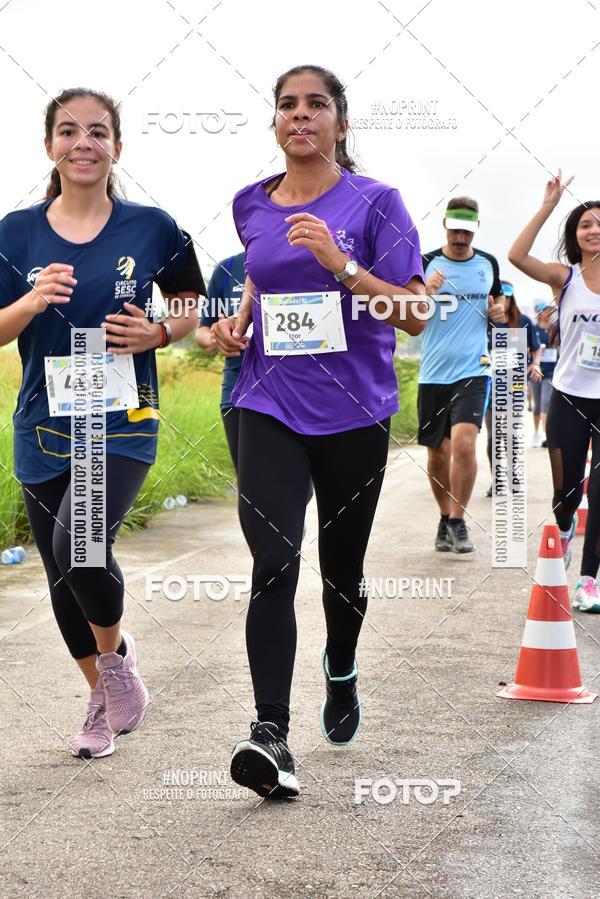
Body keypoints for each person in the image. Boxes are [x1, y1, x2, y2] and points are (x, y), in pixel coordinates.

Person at [212, 64, 427, 799]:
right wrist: (239, 322)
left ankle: (341, 665)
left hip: (355, 411)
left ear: (341, 122)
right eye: (286, 105)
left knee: (342, 567)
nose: (299, 115)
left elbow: (415, 313)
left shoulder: (377, 202)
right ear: (275, 121)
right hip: (266, 401)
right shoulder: (250, 202)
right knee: (274, 560)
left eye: (316, 105)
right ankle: (270, 733)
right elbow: (260, 277)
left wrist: (343, 265)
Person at [0, 88, 205, 758]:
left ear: (117, 146)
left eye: (97, 131)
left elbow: (190, 303)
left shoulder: (153, 227)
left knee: (78, 544)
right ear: (49, 146)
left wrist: (159, 333)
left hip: (122, 416)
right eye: (68, 131)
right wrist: (31, 301)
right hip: (43, 423)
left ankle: (113, 669)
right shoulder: (15, 232)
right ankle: (105, 690)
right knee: (62, 574)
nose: (82, 142)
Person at [508, 168, 600, 613]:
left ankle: (589, 580)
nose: (594, 230)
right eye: (586, 224)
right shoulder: (565, 278)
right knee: (568, 493)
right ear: (575, 235)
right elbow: (516, 255)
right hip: (568, 396)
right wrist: (548, 206)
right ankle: (564, 531)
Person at [419, 197, 506, 552]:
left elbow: (500, 304)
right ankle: (444, 517)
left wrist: (499, 313)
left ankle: (458, 520)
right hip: (433, 373)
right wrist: (425, 294)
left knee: (465, 444)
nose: (460, 238)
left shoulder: (488, 264)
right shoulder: (424, 262)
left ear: (476, 228)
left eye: (467, 232)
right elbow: (406, 313)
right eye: (455, 230)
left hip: (474, 369)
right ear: (444, 225)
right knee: (438, 454)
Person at [483, 280, 541, 495]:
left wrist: (535, 364)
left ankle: (513, 476)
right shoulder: (485, 322)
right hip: (490, 384)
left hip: (515, 383)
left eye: (507, 297)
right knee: (493, 436)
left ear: (511, 298)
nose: (504, 301)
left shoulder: (523, 321)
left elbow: (536, 348)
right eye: (501, 297)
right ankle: (496, 480)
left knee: (511, 434)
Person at [531, 299, 558, 447]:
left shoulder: (555, 329)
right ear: (539, 313)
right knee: (537, 405)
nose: (549, 313)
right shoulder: (533, 330)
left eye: (550, 310)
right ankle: (536, 433)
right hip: (536, 372)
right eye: (546, 310)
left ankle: (546, 435)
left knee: (546, 403)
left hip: (551, 372)